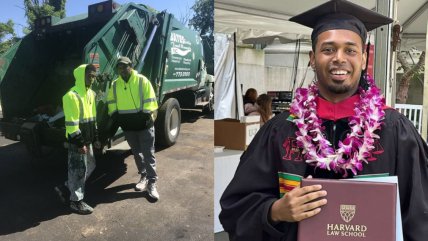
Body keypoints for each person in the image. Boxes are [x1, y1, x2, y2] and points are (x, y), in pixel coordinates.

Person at [219, 1, 428, 241]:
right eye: (328, 49)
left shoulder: (395, 130)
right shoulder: (281, 130)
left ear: (363, 57)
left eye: (350, 50)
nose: (339, 58)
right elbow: (236, 207)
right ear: (312, 57)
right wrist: (274, 211)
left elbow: (421, 218)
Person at [107, 56, 160, 201]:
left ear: (131, 66)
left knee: (148, 153)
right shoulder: (115, 84)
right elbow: (111, 102)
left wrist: (146, 117)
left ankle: (152, 182)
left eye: (125, 66)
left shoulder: (142, 80)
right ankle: (143, 176)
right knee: (137, 153)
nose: (122, 69)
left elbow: (151, 100)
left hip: (143, 125)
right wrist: (115, 116)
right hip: (128, 126)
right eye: (119, 67)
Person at [55, 64, 100, 215]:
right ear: (81, 75)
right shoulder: (71, 96)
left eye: (94, 76)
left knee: (91, 165)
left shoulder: (91, 94)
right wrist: (80, 143)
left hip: (88, 139)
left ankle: (66, 186)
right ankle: (76, 202)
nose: (92, 79)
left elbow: (93, 118)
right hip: (77, 141)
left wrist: (96, 137)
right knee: (79, 171)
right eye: (89, 76)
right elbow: (72, 124)